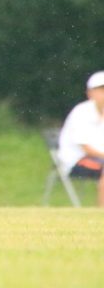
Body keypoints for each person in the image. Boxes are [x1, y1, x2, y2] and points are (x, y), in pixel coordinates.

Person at [58, 71, 104, 206]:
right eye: (101, 90)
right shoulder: (81, 112)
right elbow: (87, 149)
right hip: (76, 160)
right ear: (90, 93)